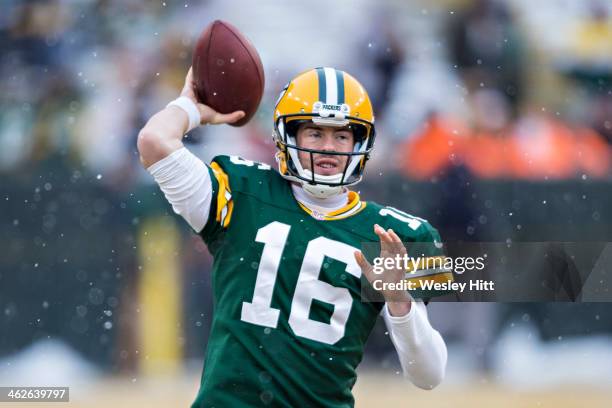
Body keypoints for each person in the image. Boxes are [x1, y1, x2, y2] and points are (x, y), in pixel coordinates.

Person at [137, 66, 448, 407]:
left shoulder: (395, 234)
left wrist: (399, 300)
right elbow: (154, 142)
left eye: (342, 136)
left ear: (361, 142)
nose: (329, 148)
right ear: (289, 137)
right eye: (315, 133)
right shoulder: (243, 192)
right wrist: (190, 108)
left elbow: (429, 376)